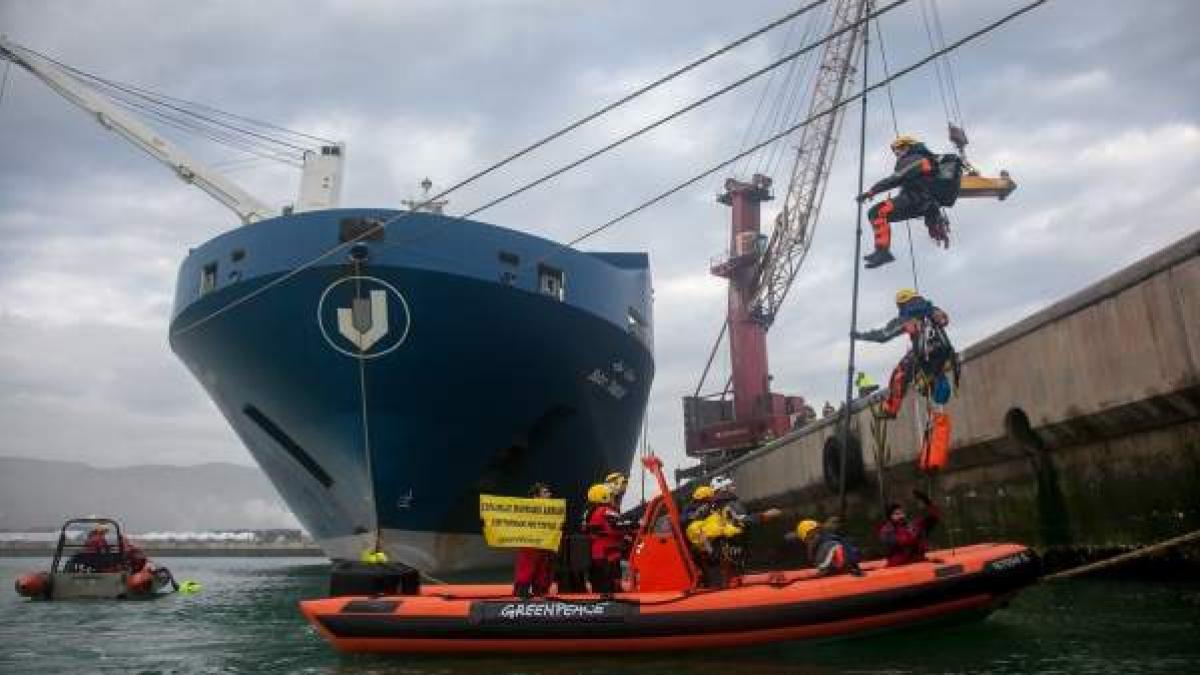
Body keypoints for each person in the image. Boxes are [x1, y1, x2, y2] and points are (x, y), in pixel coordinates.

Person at [854, 289, 958, 420]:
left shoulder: (906, 318)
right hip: (944, 354)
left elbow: (883, 335)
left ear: (901, 303)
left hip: (925, 358)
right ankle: (929, 381)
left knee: (898, 374)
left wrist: (860, 336)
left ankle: (891, 410)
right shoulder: (932, 309)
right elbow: (945, 320)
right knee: (925, 370)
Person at [856, 135, 955, 269]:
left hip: (916, 198)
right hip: (923, 203)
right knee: (877, 214)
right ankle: (882, 251)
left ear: (910, 146)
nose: (897, 152)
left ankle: (882, 252)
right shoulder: (923, 159)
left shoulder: (915, 158)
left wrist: (872, 191)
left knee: (877, 212)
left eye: (900, 148)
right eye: (895, 150)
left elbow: (896, 178)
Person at [707, 476, 782, 584]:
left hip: (726, 552)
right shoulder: (731, 504)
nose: (733, 488)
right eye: (730, 486)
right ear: (723, 489)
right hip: (738, 550)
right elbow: (741, 520)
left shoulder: (713, 508)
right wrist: (764, 515)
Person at [582, 483, 633, 596]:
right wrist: (637, 525)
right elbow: (621, 526)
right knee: (610, 584)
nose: (612, 498)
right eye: (610, 495)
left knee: (599, 584)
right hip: (608, 555)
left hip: (596, 554)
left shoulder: (588, 512)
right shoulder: (605, 511)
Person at [513, 482, 557, 598]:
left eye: (548, 492)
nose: (549, 494)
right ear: (536, 496)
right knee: (528, 566)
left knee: (542, 567)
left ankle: (539, 590)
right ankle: (522, 591)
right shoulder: (527, 508)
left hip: (545, 542)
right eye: (545, 492)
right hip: (530, 542)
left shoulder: (551, 508)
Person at [878, 489, 940, 566]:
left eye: (902, 513)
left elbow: (935, 517)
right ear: (890, 517)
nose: (901, 516)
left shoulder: (914, 525)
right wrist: (915, 534)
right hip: (899, 566)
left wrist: (927, 502)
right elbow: (901, 542)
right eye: (896, 514)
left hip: (919, 562)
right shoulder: (886, 530)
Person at [789, 519, 864, 577]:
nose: (815, 536)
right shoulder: (819, 547)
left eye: (816, 533)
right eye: (810, 537)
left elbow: (838, 554)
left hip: (845, 575)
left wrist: (823, 570)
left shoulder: (828, 544)